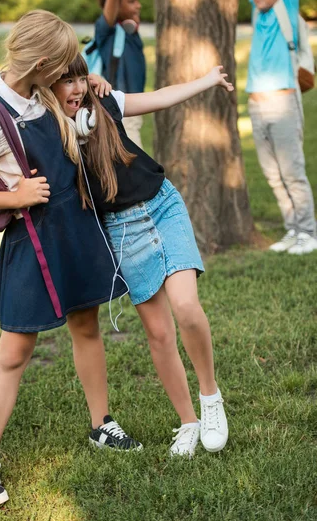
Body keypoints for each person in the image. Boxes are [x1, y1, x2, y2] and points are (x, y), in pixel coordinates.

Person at [0, 10, 143, 508]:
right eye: (63, 66)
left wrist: (91, 81)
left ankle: (101, 424)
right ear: (43, 62)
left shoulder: (41, 95)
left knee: (87, 328)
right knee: (14, 352)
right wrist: (15, 195)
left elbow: (79, 103)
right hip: (31, 245)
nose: (67, 75)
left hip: (72, 234)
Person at [51, 54, 233, 459]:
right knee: (159, 333)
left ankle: (210, 397)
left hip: (162, 207)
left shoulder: (106, 104)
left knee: (186, 307)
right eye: (66, 81)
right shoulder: (51, 134)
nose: (78, 88)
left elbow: (161, 97)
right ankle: (188, 422)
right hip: (122, 231)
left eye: (81, 78)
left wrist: (205, 80)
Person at [246, 0, 317, 255]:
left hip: (284, 104)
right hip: (257, 106)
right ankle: (292, 230)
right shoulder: (257, 16)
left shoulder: (285, 8)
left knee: (292, 171)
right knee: (273, 175)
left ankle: (309, 232)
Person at [94, 0, 146, 148]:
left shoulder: (130, 29)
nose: (139, 5)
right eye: (132, 1)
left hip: (132, 112)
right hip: (118, 114)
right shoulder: (107, 29)